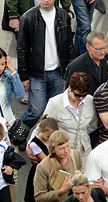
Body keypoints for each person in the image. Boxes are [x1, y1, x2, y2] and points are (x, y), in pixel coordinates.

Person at [15, 0, 73, 129]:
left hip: (58, 72)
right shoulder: (28, 17)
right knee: (35, 111)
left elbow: (69, 44)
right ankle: (19, 134)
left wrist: (69, 68)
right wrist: (23, 77)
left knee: (54, 112)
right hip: (36, 73)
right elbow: (22, 49)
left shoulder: (63, 16)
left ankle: (46, 140)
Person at [44, 73, 97, 160]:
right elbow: (44, 127)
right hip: (63, 153)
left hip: (85, 151)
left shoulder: (90, 100)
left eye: (84, 95)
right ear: (70, 88)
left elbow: (93, 125)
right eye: (77, 95)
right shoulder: (55, 103)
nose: (81, 98)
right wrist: (32, 144)